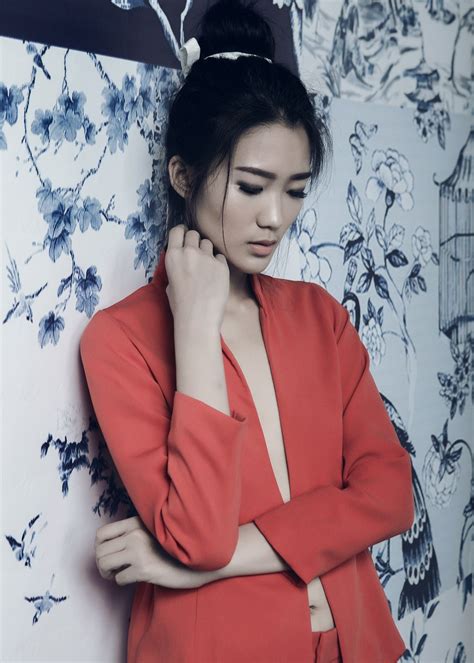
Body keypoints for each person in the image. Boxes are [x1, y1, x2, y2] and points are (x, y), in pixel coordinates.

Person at [79, 0, 415, 661]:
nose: (275, 217)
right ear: (183, 174)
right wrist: (195, 329)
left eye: (295, 190)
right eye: (253, 186)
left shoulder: (320, 316)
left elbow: (390, 494)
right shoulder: (120, 341)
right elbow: (199, 535)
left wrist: (204, 567)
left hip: (353, 644)